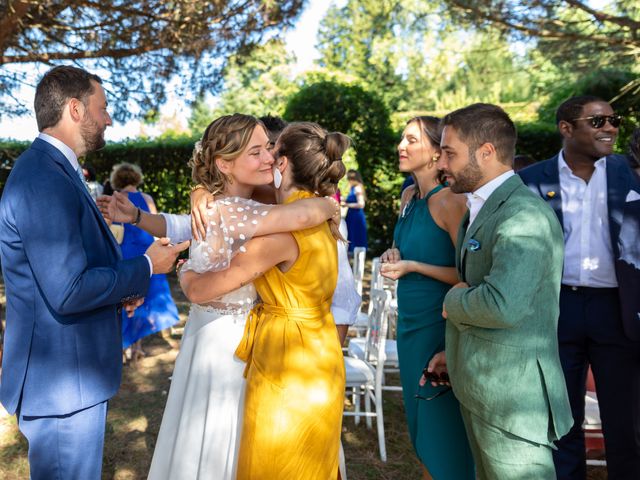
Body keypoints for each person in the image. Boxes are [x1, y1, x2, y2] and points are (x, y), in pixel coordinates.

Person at [99, 114, 344, 479]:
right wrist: (329, 206)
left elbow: (291, 214)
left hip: (245, 342)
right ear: (224, 163)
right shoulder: (236, 209)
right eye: (257, 151)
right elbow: (187, 225)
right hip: (225, 343)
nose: (268, 159)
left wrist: (324, 205)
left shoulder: (252, 208)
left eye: (270, 150)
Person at [0, 65, 187, 480]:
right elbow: (67, 290)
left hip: (72, 377)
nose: (109, 118)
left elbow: (73, 265)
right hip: (62, 382)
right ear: (74, 109)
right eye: (102, 108)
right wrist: (145, 266)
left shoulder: (56, 170)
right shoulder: (44, 179)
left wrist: (122, 289)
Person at [180, 121, 349, 479]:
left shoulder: (283, 231)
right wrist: (201, 190)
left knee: (275, 461)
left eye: (270, 150)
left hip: (285, 357)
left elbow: (201, 289)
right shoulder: (315, 217)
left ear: (284, 163)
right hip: (321, 353)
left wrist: (184, 271)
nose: (266, 156)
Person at [435, 103, 572, 479]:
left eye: (450, 153)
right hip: (485, 387)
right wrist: (455, 353)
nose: (441, 163)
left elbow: (502, 305)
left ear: (487, 152)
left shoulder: (523, 215)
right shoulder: (482, 207)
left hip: (513, 399)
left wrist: (451, 300)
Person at [519, 96, 640, 480]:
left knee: (627, 424)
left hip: (617, 310)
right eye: (598, 121)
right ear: (566, 128)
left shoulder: (631, 174)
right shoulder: (532, 180)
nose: (610, 128)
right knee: (561, 421)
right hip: (558, 309)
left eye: (614, 121)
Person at [380, 116, 474, 479]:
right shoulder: (408, 196)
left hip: (439, 325)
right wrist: (393, 255)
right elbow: (402, 248)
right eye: (402, 139)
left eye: (411, 140)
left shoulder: (451, 202)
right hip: (409, 326)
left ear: (437, 152)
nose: (401, 147)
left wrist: (414, 266)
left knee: (441, 428)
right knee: (420, 425)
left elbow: (469, 275)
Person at [109, 163, 180, 362]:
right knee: (144, 296)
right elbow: (157, 227)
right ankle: (137, 347)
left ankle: (123, 348)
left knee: (124, 296)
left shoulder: (115, 198)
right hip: (145, 250)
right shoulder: (146, 198)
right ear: (136, 178)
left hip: (124, 252)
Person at [343, 169, 368, 253]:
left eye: (349, 179)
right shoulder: (353, 188)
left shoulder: (357, 188)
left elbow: (361, 204)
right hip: (351, 215)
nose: (348, 181)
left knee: (356, 237)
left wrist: (347, 205)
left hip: (356, 216)